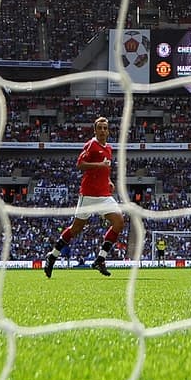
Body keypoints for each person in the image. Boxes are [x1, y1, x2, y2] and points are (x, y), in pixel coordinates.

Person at [43, 116, 125, 278]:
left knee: (119, 222)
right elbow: (80, 164)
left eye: (105, 128)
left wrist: (108, 180)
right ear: (95, 130)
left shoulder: (108, 148)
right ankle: (52, 255)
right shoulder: (91, 144)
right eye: (99, 128)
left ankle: (100, 259)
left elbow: (105, 168)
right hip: (88, 194)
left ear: (108, 131)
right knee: (76, 229)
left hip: (104, 195)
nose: (102, 130)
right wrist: (99, 165)